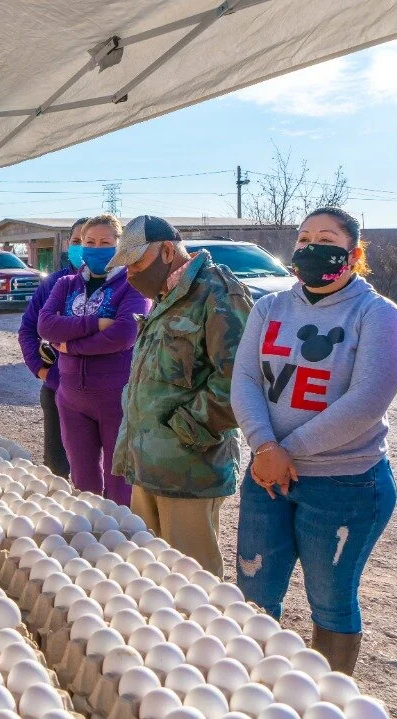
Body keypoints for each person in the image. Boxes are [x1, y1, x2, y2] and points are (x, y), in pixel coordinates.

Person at [230, 206, 397, 674]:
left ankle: (325, 698)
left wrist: (288, 450)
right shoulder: (269, 307)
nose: (311, 247)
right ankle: (255, 687)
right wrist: (265, 446)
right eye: (304, 238)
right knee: (254, 591)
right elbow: (245, 379)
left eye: (326, 238)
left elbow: (367, 399)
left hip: (343, 485)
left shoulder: (377, 314)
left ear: (353, 253)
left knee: (330, 600)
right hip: (266, 476)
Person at [109, 216, 252, 578]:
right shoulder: (164, 297)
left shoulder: (217, 293)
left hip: (189, 469)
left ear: (168, 251)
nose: (130, 274)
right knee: (151, 576)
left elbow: (241, 378)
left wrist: (187, 429)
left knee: (193, 587)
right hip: (148, 466)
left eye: (137, 263)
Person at [38, 214, 149, 505]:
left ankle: (123, 546)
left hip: (116, 399)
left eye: (105, 242)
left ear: (119, 246)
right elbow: (45, 325)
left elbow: (125, 333)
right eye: (89, 242)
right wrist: (97, 324)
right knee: (83, 485)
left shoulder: (132, 285)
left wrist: (70, 346)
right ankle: (91, 545)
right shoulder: (65, 285)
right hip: (72, 399)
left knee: (119, 487)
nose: (96, 248)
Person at [18, 217, 88, 478]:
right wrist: (43, 372)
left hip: (105, 397)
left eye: (92, 241)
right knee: (57, 471)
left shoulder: (119, 288)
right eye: (78, 241)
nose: (84, 247)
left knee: (101, 475)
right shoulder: (55, 284)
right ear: (68, 244)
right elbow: (27, 330)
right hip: (59, 391)